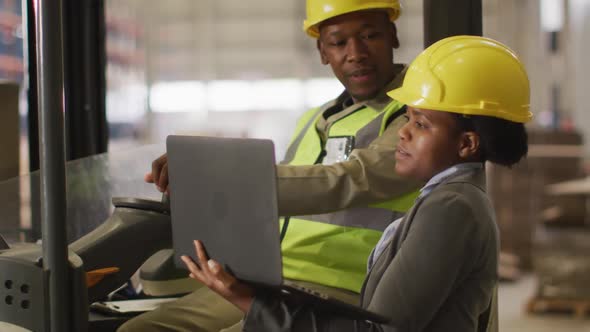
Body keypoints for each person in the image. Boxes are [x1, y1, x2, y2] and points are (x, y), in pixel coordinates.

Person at [181, 35, 532, 332]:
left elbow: (377, 329)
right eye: (407, 118)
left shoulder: (452, 209)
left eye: (422, 124)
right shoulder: (447, 199)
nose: (404, 132)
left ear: (467, 143)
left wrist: (246, 299)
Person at [119, 1, 421, 331]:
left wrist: (221, 174)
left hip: (344, 287)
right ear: (322, 51)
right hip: (267, 278)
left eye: (369, 35)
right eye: (338, 42)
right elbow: (287, 188)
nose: (356, 52)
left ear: (392, 35)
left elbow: (355, 178)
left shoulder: (415, 117)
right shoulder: (313, 120)